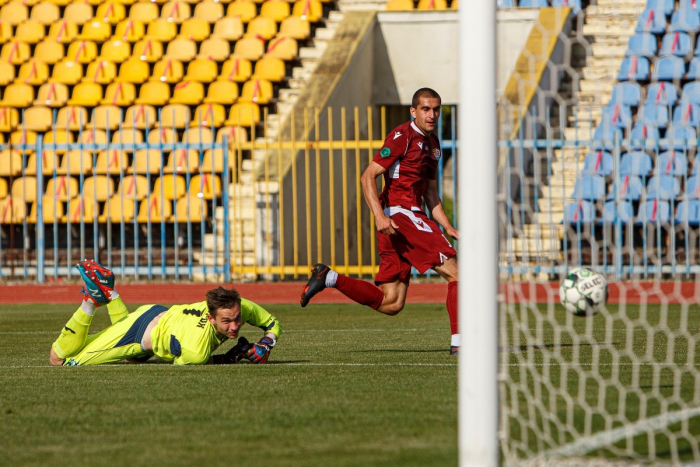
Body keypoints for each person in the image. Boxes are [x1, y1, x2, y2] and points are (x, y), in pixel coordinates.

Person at [300, 87, 460, 355]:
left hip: (400, 220)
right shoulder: (402, 136)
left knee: (392, 302)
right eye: (425, 109)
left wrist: (448, 226)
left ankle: (329, 277)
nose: (431, 115)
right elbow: (368, 176)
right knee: (457, 274)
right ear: (413, 111)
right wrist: (379, 216)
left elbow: (431, 194)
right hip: (401, 215)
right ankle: (460, 343)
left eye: (435, 109)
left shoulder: (433, 145)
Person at [49, 260, 281, 366]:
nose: (235, 326)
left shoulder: (240, 305)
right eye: (227, 321)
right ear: (210, 317)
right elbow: (200, 360)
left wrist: (266, 343)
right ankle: (90, 302)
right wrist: (236, 355)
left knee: (130, 358)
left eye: (237, 319)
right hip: (138, 334)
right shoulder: (196, 350)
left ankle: (110, 293)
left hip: (155, 314)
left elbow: (273, 324)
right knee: (59, 359)